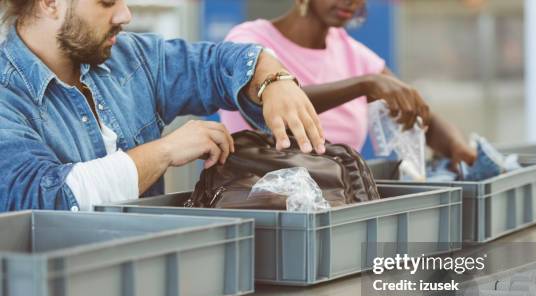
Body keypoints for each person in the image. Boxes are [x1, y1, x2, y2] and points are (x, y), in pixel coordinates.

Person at [0, 0, 325, 212]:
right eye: (107, 2)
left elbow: (214, 65)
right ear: (50, 3)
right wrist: (164, 151)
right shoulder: (6, 96)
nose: (125, 14)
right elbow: (44, 199)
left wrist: (272, 79)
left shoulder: (133, 58)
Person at [220, 0, 476, 166]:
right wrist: (362, 85)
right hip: (260, 201)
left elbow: (412, 110)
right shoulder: (248, 40)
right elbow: (276, 106)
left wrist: (456, 145)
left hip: (337, 202)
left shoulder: (354, 54)